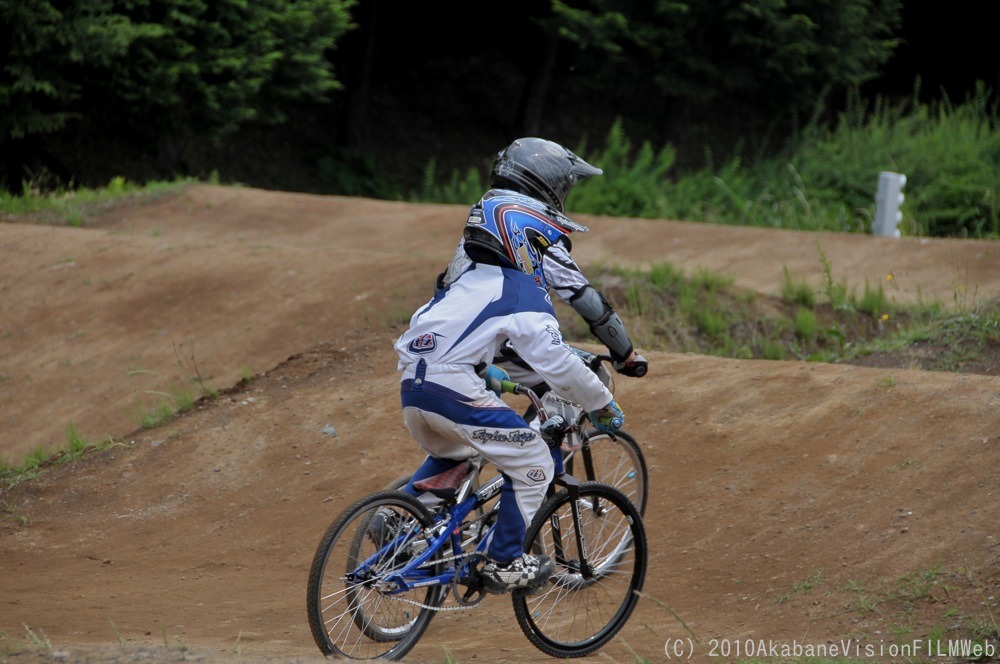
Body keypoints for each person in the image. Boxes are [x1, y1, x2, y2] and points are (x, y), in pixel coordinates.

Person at [392, 191, 625, 594]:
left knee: (458, 452)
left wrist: (492, 375)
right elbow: (556, 362)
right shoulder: (521, 290)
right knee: (534, 460)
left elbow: (439, 340)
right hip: (453, 391)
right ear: (523, 241)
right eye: (542, 245)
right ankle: (504, 561)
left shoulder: (461, 283)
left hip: (413, 390)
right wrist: (601, 404)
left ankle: (406, 523)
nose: (543, 255)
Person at [436, 136, 648, 393]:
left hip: (447, 334)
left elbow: (444, 283)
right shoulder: (534, 229)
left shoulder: (482, 224)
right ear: (545, 182)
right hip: (496, 339)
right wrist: (625, 353)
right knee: (591, 378)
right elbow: (586, 299)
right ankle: (537, 435)